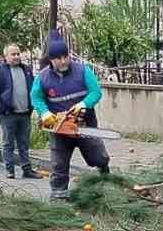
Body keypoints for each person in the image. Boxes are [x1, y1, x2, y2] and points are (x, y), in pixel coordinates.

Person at [31, 30, 109, 201]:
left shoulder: (82, 71)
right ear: (51, 60)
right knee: (59, 163)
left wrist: (83, 104)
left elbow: (95, 92)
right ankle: (58, 195)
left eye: (65, 56)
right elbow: (35, 96)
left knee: (98, 157)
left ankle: (104, 173)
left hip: (84, 122)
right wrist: (44, 112)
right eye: (58, 58)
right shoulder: (43, 77)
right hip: (59, 127)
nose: (63, 60)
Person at [0, 44, 40, 180]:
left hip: (24, 113)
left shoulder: (26, 70)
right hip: (8, 115)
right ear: (6, 56)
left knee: (24, 143)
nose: (17, 57)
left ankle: (26, 170)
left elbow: (33, 89)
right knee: (8, 143)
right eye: (13, 54)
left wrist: (31, 107)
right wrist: (2, 110)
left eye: (18, 54)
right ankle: (9, 170)